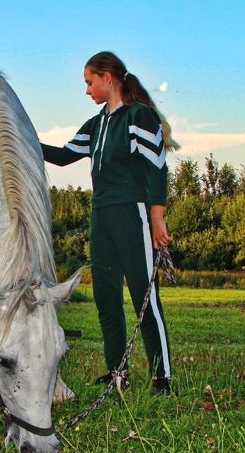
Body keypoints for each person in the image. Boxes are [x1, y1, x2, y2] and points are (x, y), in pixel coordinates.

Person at [41, 51, 177, 395]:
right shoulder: (96, 124)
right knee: (106, 299)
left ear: (108, 78)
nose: (87, 90)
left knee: (145, 299)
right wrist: (20, 138)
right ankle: (118, 373)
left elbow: (157, 169)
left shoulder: (138, 116)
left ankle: (161, 378)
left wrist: (157, 219)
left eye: (90, 82)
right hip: (101, 217)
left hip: (134, 214)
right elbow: (63, 156)